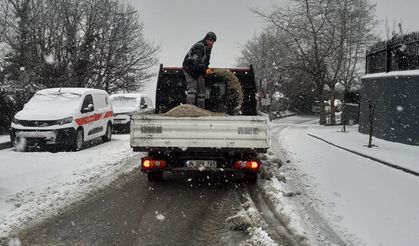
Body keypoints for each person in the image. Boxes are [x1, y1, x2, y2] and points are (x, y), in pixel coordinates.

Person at [182, 31, 217, 109]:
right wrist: (205, 69)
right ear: (206, 39)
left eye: (213, 41)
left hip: (198, 70)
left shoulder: (208, 48)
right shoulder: (199, 46)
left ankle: (200, 109)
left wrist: (206, 68)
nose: (211, 42)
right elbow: (196, 62)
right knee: (192, 89)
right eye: (210, 40)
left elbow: (206, 61)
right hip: (189, 69)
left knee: (201, 90)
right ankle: (189, 108)